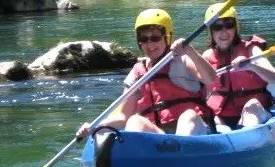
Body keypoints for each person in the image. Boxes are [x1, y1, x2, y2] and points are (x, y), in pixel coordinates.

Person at [76, 9, 216, 138]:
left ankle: (178, 154)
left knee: (189, 116)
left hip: (196, 131)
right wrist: (95, 126)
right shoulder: (138, 72)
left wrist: (190, 50)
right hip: (160, 138)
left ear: (168, 37)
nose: (150, 44)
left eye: (155, 38)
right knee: (135, 121)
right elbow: (123, 116)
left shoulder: (183, 59)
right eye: (144, 39)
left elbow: (211, 78)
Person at [201, 3, 275, 131]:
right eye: (217, 27)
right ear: (210, 31)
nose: (224, 32)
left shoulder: (251, 50)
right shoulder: (207, 56)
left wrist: (251, 65)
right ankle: (226, 137)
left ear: (236, 28)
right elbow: (201, 91)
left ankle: (246, 136)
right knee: (212, 118)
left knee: (252, 105)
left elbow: (274, 78)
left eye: (229, 25)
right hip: (222, 117)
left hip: (255, 113)